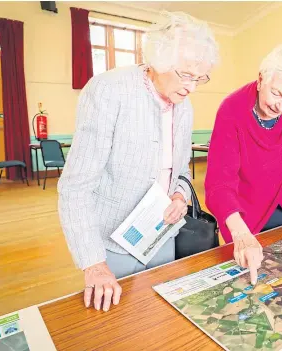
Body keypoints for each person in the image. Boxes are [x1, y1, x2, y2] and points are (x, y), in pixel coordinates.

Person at [58, 12, 219, 311]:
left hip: (161, 233)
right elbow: (75, 187)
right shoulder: (109, 90)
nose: (192, 87)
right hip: (111, 241)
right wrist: (93, 264)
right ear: (159, 59)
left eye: (199, 78)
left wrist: (180, 195)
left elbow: (181, 170)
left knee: (160, 315)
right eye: (186, 75)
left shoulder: (185, 106)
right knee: (117, 323)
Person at [205, 44, 282, 285]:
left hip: (280, 206)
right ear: (260, 80)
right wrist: (239, 233)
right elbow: (219, 184)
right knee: (245, 287)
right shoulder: (231, 109)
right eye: (277, 94)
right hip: (240, 213)